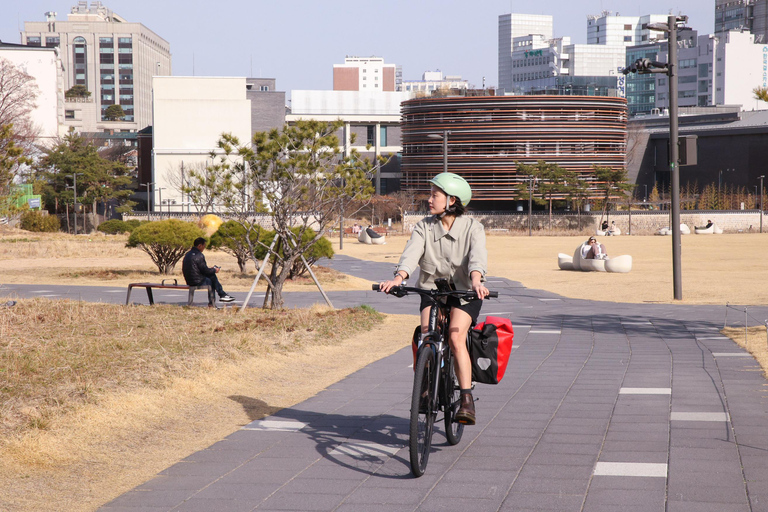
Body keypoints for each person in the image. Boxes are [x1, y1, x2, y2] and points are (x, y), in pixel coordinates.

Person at [379, 172, 488, 426]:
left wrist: (476, 280)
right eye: (430, 194)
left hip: (464, 293)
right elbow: (411, 254)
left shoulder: (473, 228)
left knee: (454, 336)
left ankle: (466, 398)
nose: (429, 200)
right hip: (433, 291)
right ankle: (426, 388)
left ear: (452, 200)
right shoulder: (423, 226)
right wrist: (399, 278)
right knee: (426, 334)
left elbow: (477, 258)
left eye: (434, 195)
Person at [182, 237, 235, 306]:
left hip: (189, 280)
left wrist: (210, 269)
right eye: (204, 246)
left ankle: (222, 296)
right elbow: (205, 271)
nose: (204, 248)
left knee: (211, 276)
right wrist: (214, 270)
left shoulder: (188, 254)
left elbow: (200, 269)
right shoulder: (199, 255)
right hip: (197, 281)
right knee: (211, 278)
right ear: (199, 246)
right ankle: (218, 298)